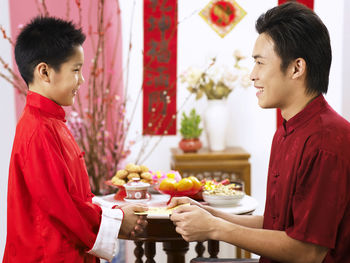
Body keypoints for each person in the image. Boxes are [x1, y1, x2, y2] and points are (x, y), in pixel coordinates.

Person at [169, 2, 350, 263]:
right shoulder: (287, 131)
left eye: (260, 63)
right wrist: (210, 214)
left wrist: (215, 229)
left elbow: (307, 252)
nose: (252, 75)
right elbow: (278, 226)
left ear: (297, 68)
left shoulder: (327, 143)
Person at [3, 16, 147, 263]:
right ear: (45, 71)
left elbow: (76, 199)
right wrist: (119, 220)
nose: (81, 80)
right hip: (48, 254)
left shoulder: (51, 123)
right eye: (76, 70)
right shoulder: (38, 130)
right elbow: (63, 207)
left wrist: (115, 212)